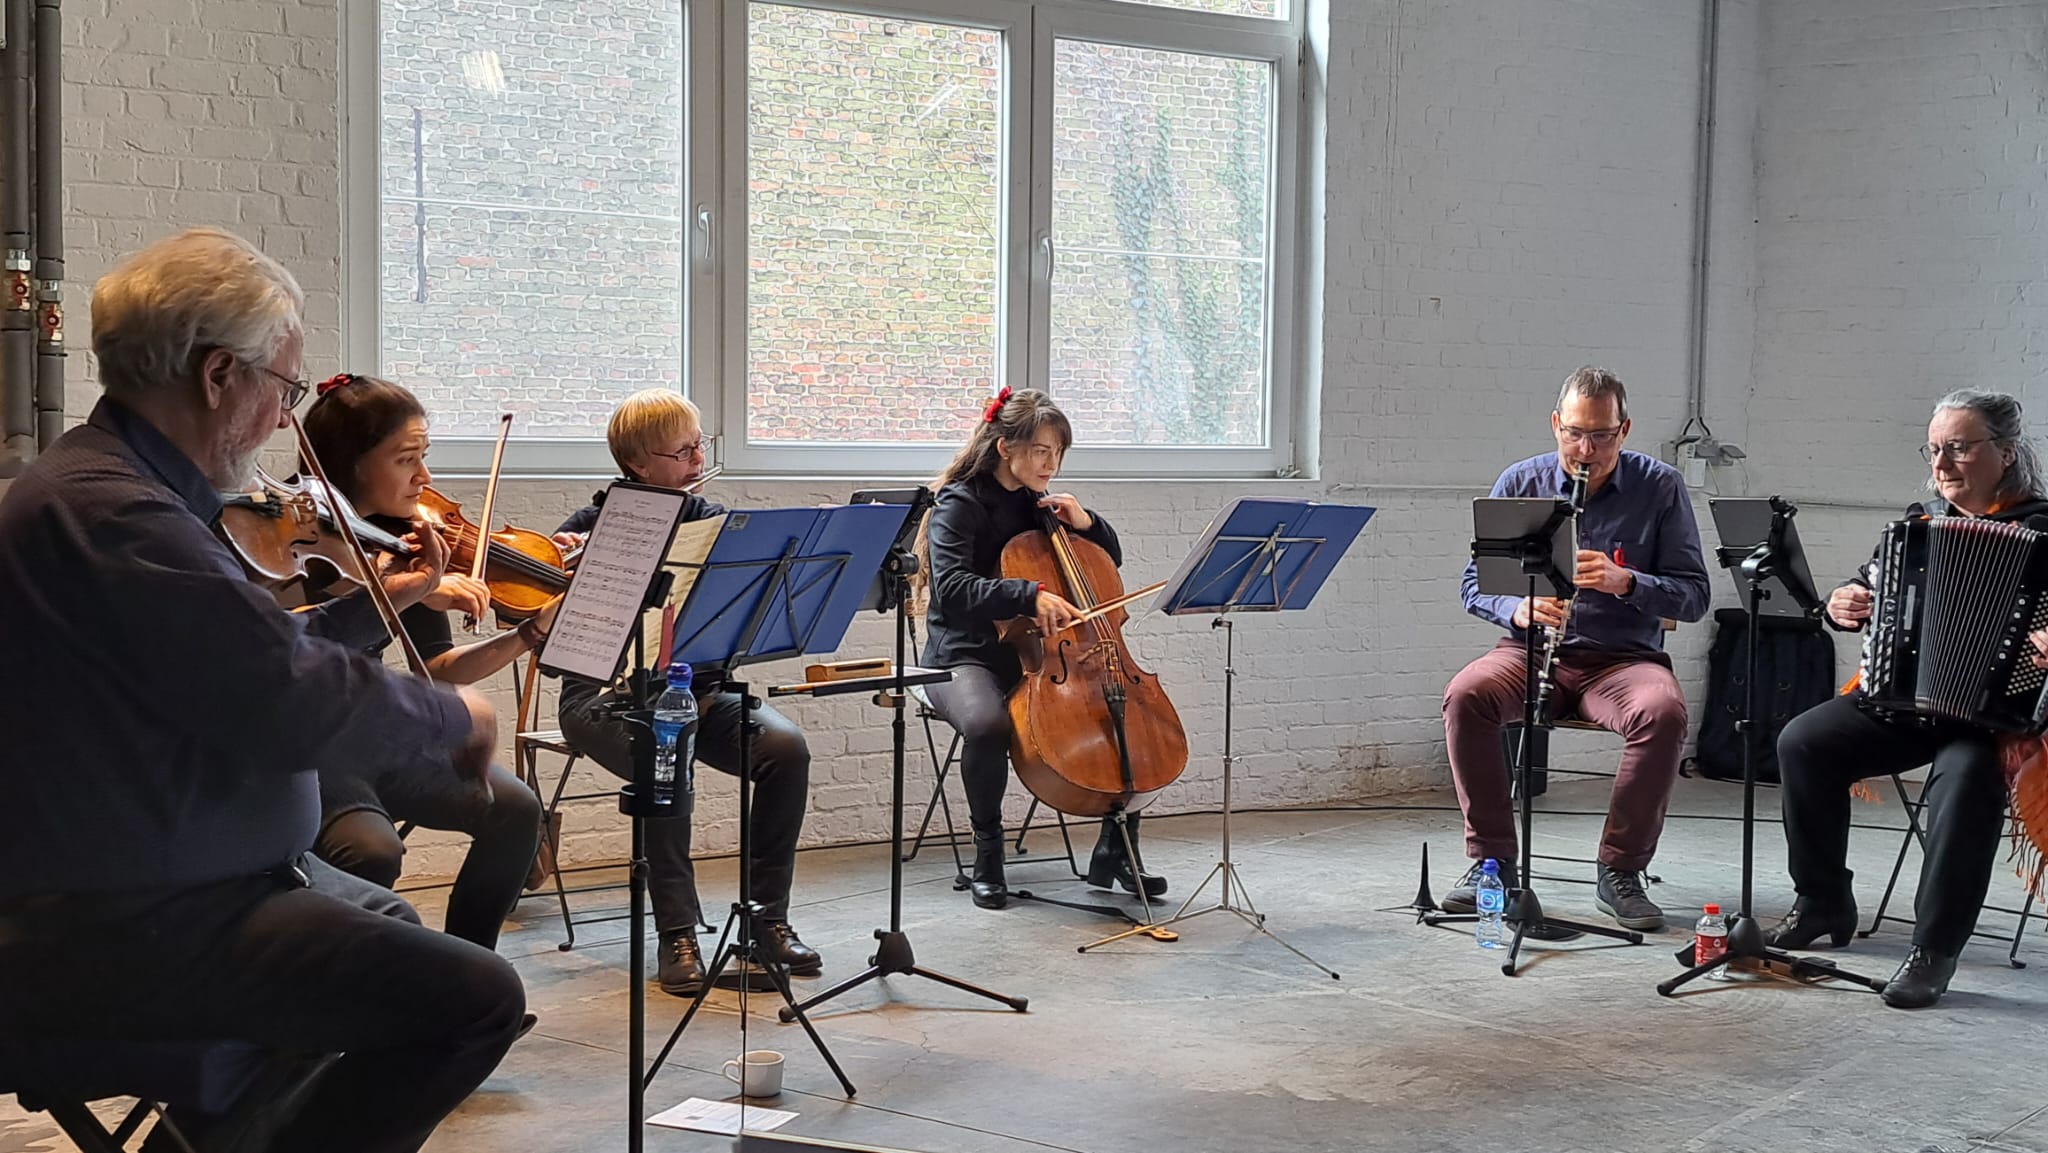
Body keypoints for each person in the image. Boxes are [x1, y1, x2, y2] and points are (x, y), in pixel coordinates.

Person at [0, 228, 524, 1153]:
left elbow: (255, 652)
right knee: (475, 998)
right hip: (127, 917)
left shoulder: (123, 494)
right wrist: (446, 715)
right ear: (217, 377)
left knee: (385, 920)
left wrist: (374, 606)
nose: (288, 421)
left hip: (181, 879)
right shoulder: (114, 514)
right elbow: (282, 696)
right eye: (282, 390)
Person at [1769, 389, 2048, 1009]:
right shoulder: (1919, 526)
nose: (1942, 465)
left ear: (2004, 453)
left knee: (1967, 776)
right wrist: (1844, 604)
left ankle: (1934, 950)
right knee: (1804, 741)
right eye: (1934, 449)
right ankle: (1822, 901)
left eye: (1958, 449)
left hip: (1998, 720)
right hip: (1908, 699)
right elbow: (1868, 586)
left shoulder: (2042, 531)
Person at [554, 388, 821, 996]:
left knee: (787, 748)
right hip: (604, 698)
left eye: (701, 445)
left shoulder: (711, 523)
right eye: (683, 451)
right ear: (639, 464)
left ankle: (766, 922)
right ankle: (678, 933)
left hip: (693, 690)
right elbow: (552, 628)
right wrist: (572, 574)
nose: (698, 459)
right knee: (661, 752)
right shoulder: (590, 529)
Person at [1440, 366, 1709, 931]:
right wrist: (1516, 608)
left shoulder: (1660, 487)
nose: (1586, 450)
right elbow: (1474, 584)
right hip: (1530, 651)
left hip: (1622, 659)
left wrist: (1627, 582)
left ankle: (1620, 871)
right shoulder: (1521, 482)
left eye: (1602, 436)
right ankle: (1492, 862)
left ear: (1625, 429)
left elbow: (1694, 596)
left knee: (1661, 713)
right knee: (1466, 695)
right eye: (1575, 434)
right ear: (1555, 424)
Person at [298, 373, 550, 951]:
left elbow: (437, 668)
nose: (425, 478)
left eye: (424, 456)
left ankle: (469, 971)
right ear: (349, 463)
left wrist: (528, 633)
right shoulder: (295, 531)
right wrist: (399, 591)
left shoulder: (399, 541)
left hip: (377, 734)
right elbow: (293, 653)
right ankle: (339, 1006)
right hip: (310, 747)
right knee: (371, 850)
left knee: (515, 809)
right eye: (406, 459)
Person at [914, 386, 1166, 910]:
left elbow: (1104, 563)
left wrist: (1088, 523)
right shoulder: (959, 504)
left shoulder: (1042, 506)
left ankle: (1117, 849)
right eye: (1041, 451)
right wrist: (1028, 594)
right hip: (966, 654)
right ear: (1006, 447)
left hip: (1048, 658)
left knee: (1122, 709)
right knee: (987, 724)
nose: (1051, 464)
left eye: (1058, 453)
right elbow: (954, 589)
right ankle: (988, 855)